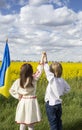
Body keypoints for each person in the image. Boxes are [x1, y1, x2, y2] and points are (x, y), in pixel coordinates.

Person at [9, 58, 43, 130]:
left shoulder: (18, 81)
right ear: (31, 72)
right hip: (31, 102)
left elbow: (11, 90)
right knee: (30, 124)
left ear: (21, 71)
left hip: (23, 101)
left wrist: (18, 96)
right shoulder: (34, 79)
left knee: (22, 122)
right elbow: (39, 71)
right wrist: (42, 59)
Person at [42, 52, 70, 130]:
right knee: (58, 121)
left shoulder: (52, 79)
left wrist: (45, 60)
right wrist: (61, 93)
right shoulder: (62, 80)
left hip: (51, 105)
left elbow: (46, 69)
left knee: (53, 123)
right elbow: (68, 89)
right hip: (58, 104)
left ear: (52, 72)